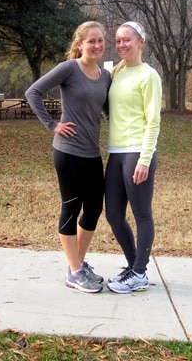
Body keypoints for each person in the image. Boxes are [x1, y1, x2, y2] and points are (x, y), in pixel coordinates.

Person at [25, 21, 111, 294]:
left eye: (100, 40)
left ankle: (77, 265)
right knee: (72, 207)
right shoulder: (69, 69)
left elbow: (107, 111)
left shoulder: (105, 76)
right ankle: (75, 271)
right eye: (91, 41)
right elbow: (33, 92)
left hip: (92, 152)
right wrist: (53, 125)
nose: (96, 45)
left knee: (94, 208)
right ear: (79, 44)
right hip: (68, 151)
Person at [105, 21, 162, 294]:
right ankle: (134, 266)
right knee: (113, 214)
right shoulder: (116, 72)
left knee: (141, 214)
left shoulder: (149, 75)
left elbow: (153, 121)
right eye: (118, 40)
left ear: (141, 42)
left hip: (138, 151)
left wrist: (145, 159)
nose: (121, 45)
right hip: (116, 152)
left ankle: (139, 273)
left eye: (127, 40)